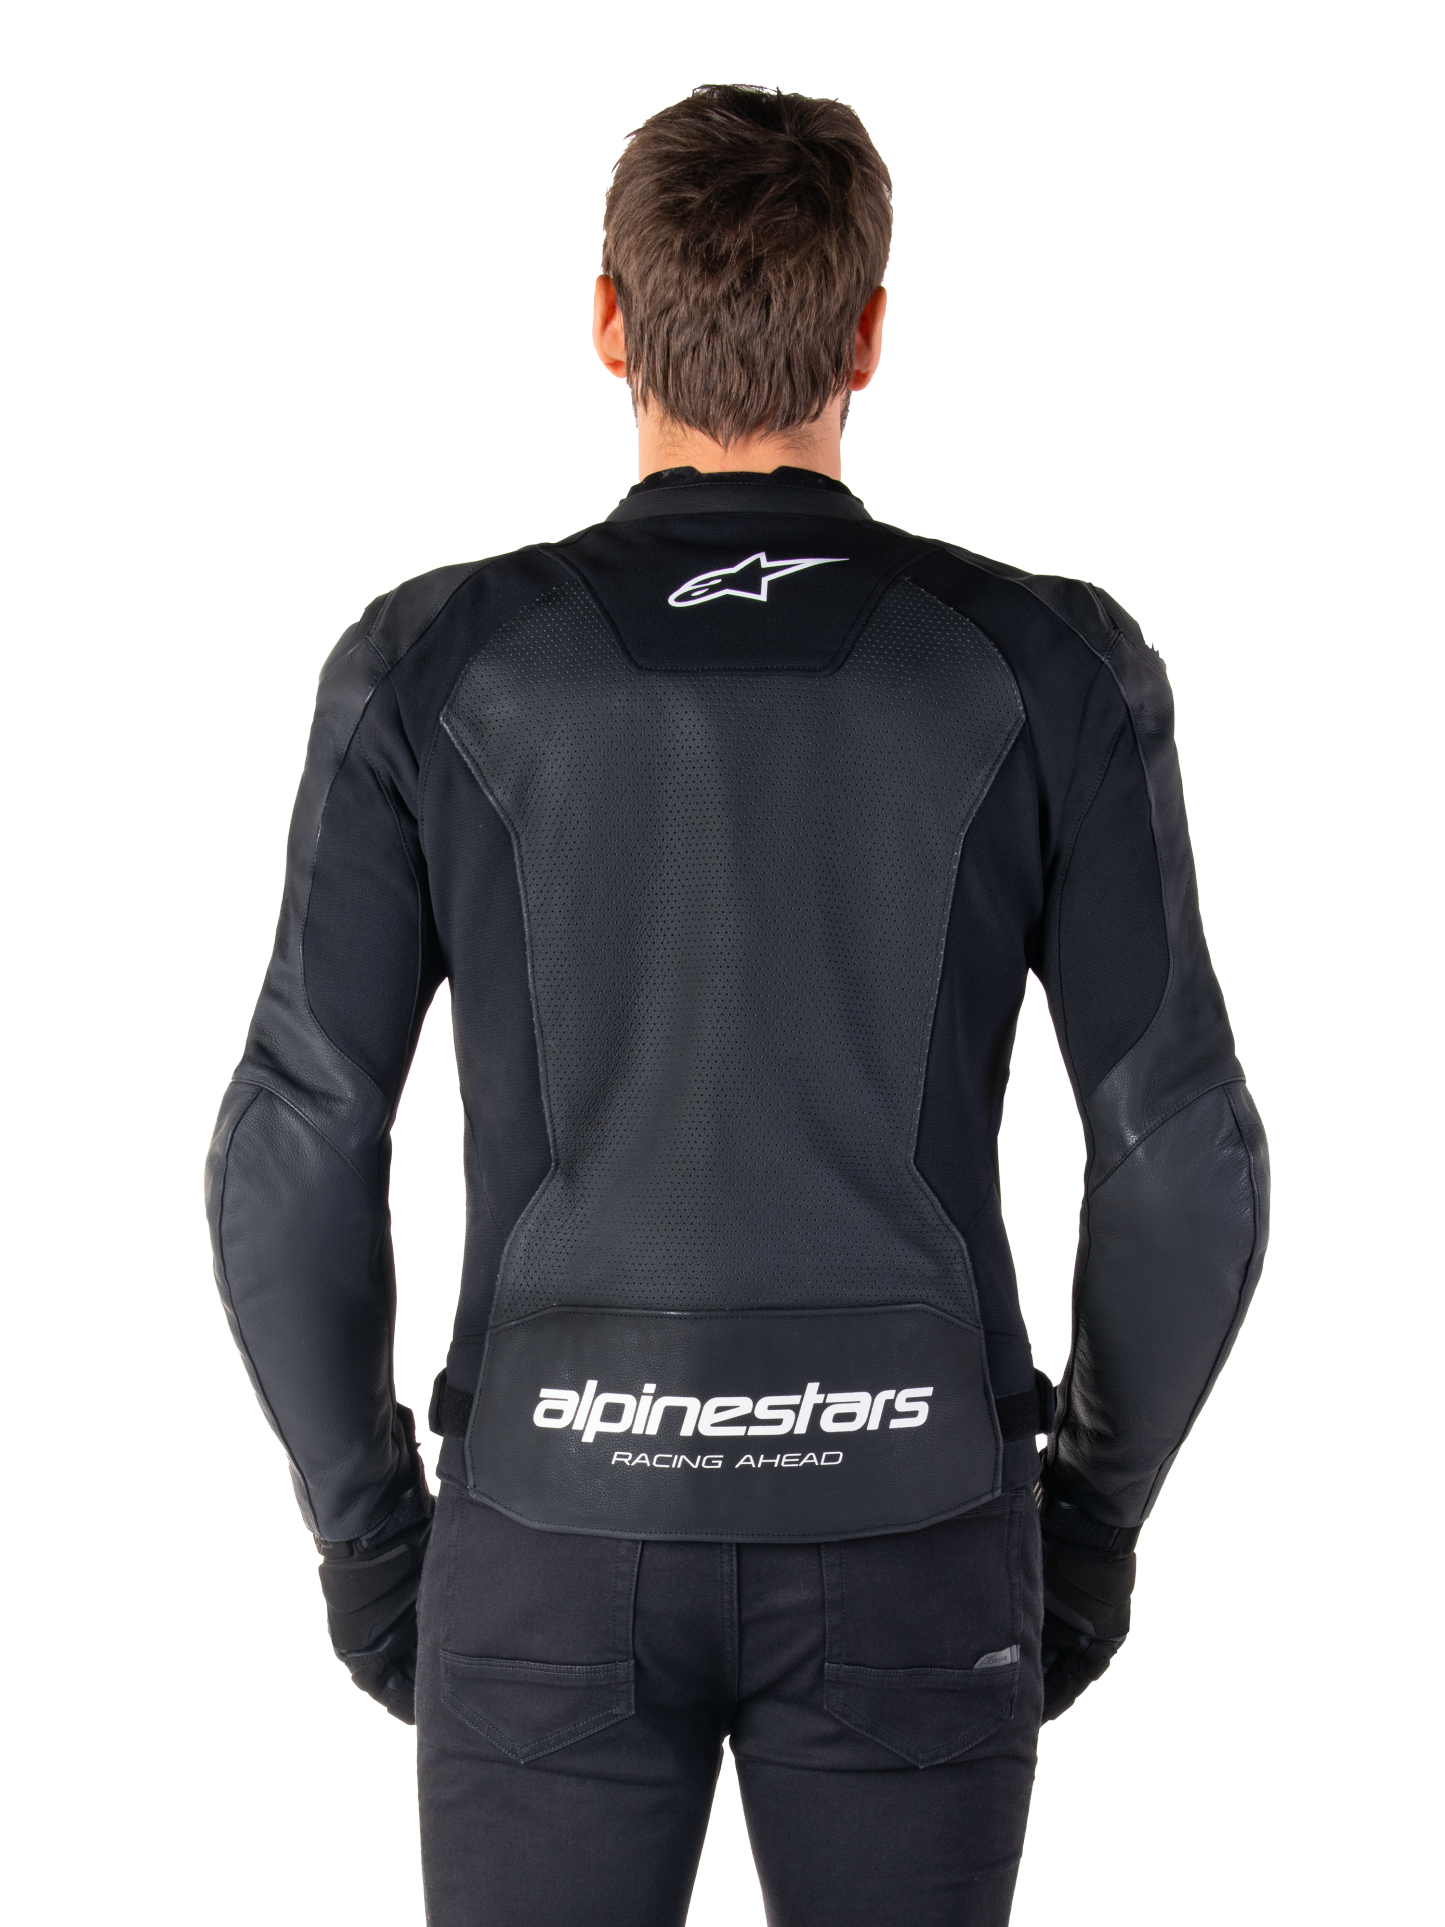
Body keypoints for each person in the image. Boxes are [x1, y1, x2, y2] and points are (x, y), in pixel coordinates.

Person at [206, 84, 1269, 1927]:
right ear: (874, 336)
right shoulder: (1045, 662)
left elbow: (295, 1144)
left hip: (549, 1517)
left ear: (605, 326)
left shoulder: (437, 660)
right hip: (917, 1520)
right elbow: (1183, 1153)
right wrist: (1084, 1537)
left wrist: (374, 1544)